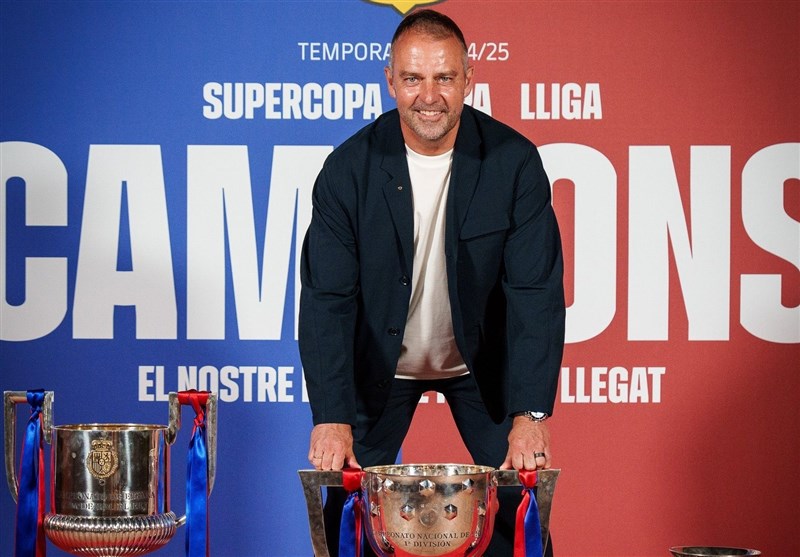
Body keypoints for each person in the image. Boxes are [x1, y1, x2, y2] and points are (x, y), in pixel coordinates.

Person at [299, 8, 565, 556]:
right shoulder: (347, 171)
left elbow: (535, 294)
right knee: (349, 516)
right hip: (379, 361)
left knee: (520, 510)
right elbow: (327, 301)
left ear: (469, 79)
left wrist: (531, 415)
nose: (429, 96)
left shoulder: (514, 163)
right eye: (413, 78)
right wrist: (331, 417)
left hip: (481, 363)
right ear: (390, 81)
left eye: (444, 77)